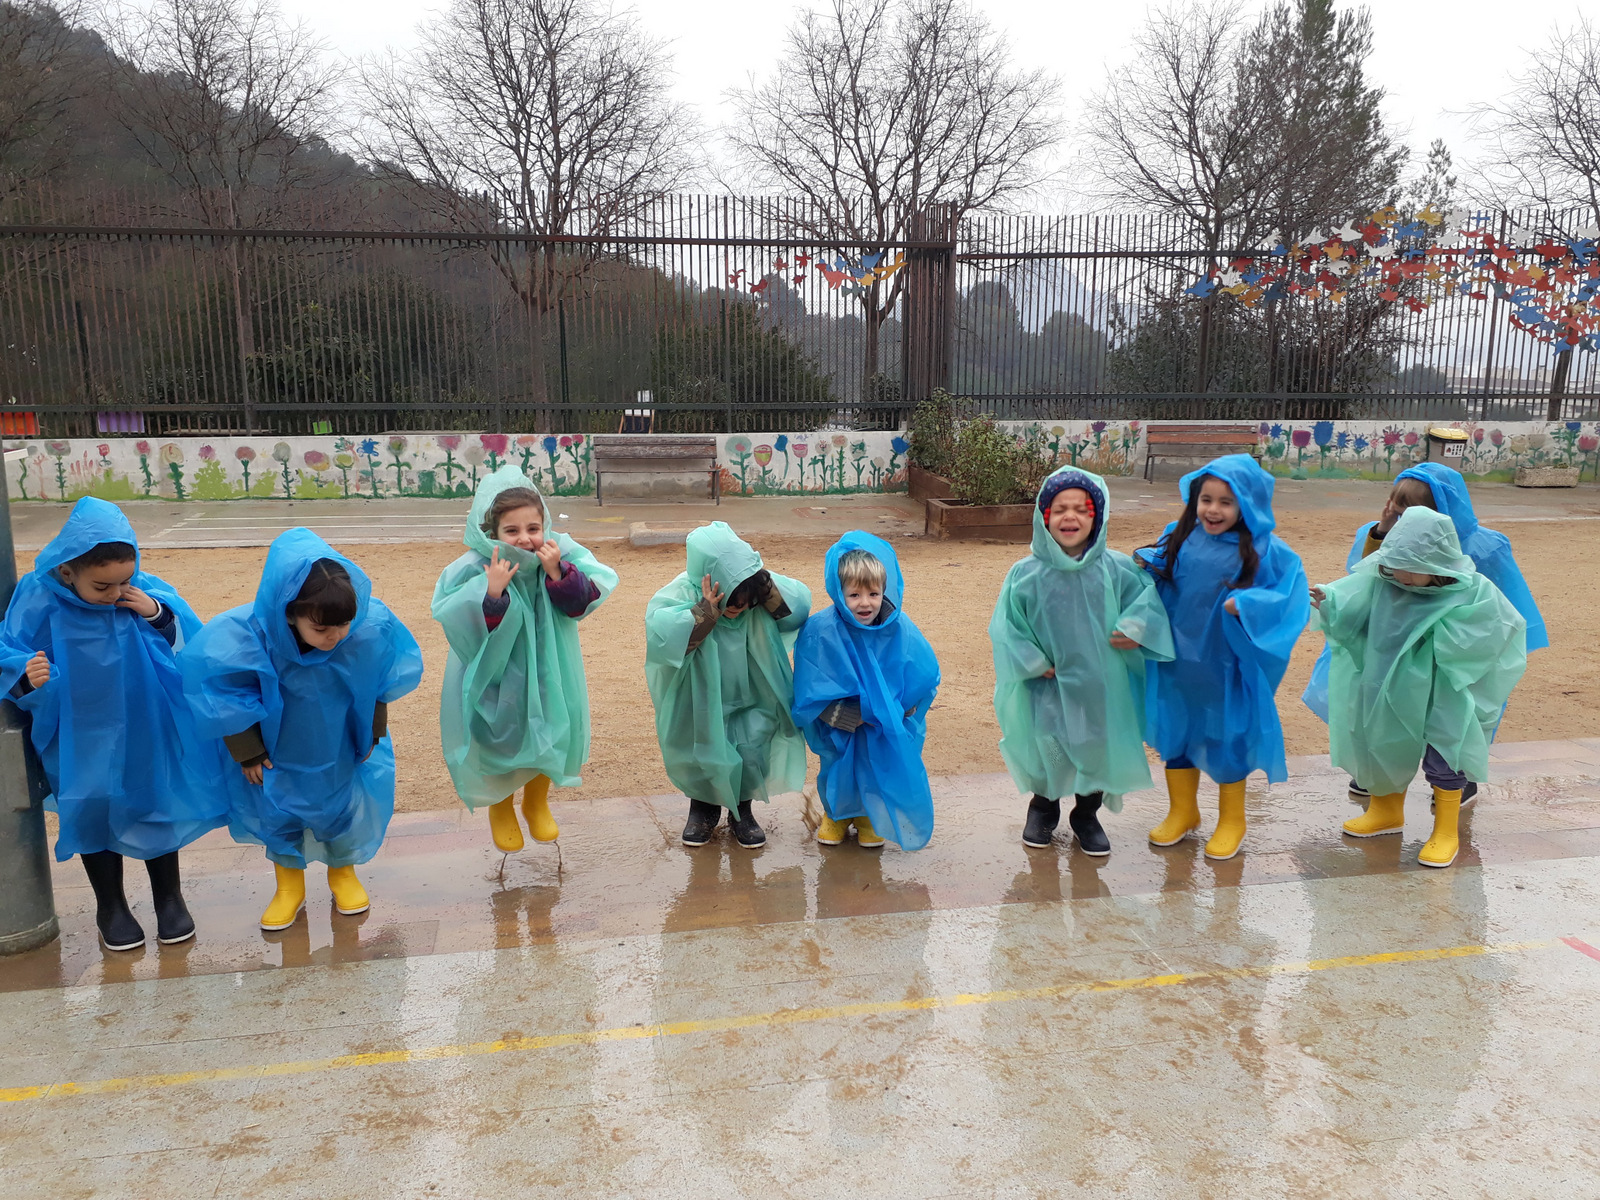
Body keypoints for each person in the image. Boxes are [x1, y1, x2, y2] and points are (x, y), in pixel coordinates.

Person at [0, 498, 226, 951]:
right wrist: (28, 677)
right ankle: (111, 906)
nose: (116, 593)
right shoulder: (39, 596)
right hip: (79, 731)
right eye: (102, 585)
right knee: (91, 806)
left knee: (154, 799)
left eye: (125, 579)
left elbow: (191, 643)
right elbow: (11, 647)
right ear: (67, 571)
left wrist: (156, 612)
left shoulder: (140, 590)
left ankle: (169, 899)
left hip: (145, 721)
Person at [180, 529, 423, 930]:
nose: (335, 636)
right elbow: (224, 696)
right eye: (321, 629)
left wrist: (373, 732)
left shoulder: (365, 632)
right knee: (277, 812)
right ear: (290, 613)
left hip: (337, 744)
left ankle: (342, 872)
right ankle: (288, 886)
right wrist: (248, 752)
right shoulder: (248, 639)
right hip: (276, 751)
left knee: (339, 806)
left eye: (343, 624)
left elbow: (379, 681)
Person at [1303, 460, 1546, 807]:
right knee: (1377, 708)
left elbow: (1499, 603)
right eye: (1397, 507)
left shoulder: (1484, 546)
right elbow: (1363, 576)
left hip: (1449, 654)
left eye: (1412, 510)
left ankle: (1456, 780)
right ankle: (1375, 773)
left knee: (1451, 721)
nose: (1401, 517)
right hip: (1390, 640)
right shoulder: (1381, 533)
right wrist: (1382, 534)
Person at [1312, 506, 1526, 867]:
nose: (1402, 575)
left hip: (1443, 691)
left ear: (1438, 562)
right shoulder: (1382, 582)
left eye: (1412, 566)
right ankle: (1386, 811)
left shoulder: (1473, 590)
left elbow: (1500, 629)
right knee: (1380, 742)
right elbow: (1352, 603)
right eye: (1396, 563)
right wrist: (1331, 603)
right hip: (1389, 685)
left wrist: (1440, 641)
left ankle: (1445, 830)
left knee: (1446, 754)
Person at [990, 468, 1175, 854]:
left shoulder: (1116, 568)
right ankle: (1043, 808)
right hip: (1047, 684)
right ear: (1044, 517)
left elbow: (1144, 602)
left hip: (1100, 685)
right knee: (1050, 746)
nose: (1070, 517)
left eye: (1082, 509)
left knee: (1095, 746)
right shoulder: (1025, 574)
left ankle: (1086, 814)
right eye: (1059, 509)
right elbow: (1008, 626)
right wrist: (1031, 660)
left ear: (1098, 517)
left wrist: (1135, 628)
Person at [433, 467, 616, 850]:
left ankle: (536, 802)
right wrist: (492, 593)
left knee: (549, 728)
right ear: (492, 532)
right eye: (511, 530)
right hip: (498, 674)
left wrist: (558, 572)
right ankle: (500, 807)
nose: (524, 538)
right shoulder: (475, 567)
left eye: (533, 528)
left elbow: (581, 603)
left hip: (549, 666)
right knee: (499, 735)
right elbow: (460, 626)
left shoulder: (559, 555)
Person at [1137, 454, 1309, 861]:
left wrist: (1248, 604)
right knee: (1177, 734)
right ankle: (1183, 811)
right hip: (1178, 662)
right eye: (1206, 499)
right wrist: (1145, 567)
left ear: (1247, 505)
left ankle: (1232, 819)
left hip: (1227, 666)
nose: (1213, 510)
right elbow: (1157, 577)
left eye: (1226, 502)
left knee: (1228, 737)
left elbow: (1289, 596)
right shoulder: (1179, 535)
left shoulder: (1267, 551)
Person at [644, 522, 811, 848]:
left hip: (752, 692)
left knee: (752, 746)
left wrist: (763, 587)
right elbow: (662, 634)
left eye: (746, 604)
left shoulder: (752, 588)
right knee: (703, 747)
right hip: (701, 696)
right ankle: (702, 809)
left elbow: (798, 609)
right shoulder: (683, 593)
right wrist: (705, 612)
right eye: (731, 604)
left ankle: (741, 810)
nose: (740, 609)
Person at [792, 531, 940, 851]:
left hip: (882, 726)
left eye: (873, 593)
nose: (865, 603)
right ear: (839, 591)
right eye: (854, 594)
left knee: (875, 767)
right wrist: (844, 715)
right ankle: (836, 814)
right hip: (841, 723)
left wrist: (900, 707)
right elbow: (809, 682)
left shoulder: (899, 629)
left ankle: (869, 816)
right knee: (838, 767)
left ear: (885, 590)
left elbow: (923, 671)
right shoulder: (822, 630)